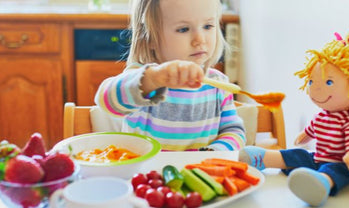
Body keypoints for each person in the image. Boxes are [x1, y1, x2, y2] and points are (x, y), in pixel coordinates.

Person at [240, 28, 349, 207]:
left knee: (335, 171)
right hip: (317, 157)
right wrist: (305, 135)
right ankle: (264, 158)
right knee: (299, 154)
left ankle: (321, 183)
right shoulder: (322, 115)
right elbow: (313, 128)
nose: (315, 89)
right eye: (311, 82)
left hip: (339, 162)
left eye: (329, 82)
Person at [94, 0, 245, 151]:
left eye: (208, 26)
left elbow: (234, 131)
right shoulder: (143, 81)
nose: (200, 39)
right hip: (147, 173)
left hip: (200, 172)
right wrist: (154, 79)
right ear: (150, 38)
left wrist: (214, 152)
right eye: (183, 29)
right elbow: (105, 100)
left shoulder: (218, 84)